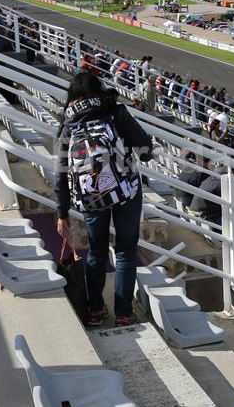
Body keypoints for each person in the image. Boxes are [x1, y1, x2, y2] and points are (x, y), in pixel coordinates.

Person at [54, 73, 153, 327]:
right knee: (125, 252)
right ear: (98, 89)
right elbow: (146, 149)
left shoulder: (68, 124)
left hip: (91, 197)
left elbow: (61, 172)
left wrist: (62, 212)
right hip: (126, 193)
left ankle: (96, 310)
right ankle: (123, 313)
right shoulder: (115, 111)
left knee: (96, 253)